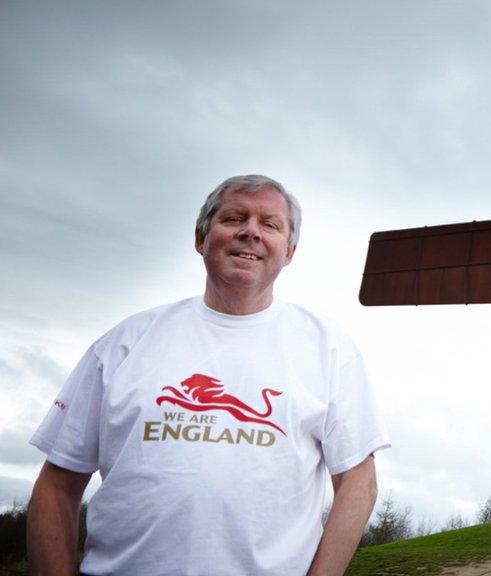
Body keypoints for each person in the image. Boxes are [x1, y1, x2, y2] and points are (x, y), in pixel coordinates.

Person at [26, 175, 389, 575]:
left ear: (289, 251)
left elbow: (358, 481)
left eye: (269, 224)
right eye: (235, 218)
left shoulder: (327, 347)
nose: (250, 232)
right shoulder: (124, 343)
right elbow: (57, 484)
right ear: (201, 238)